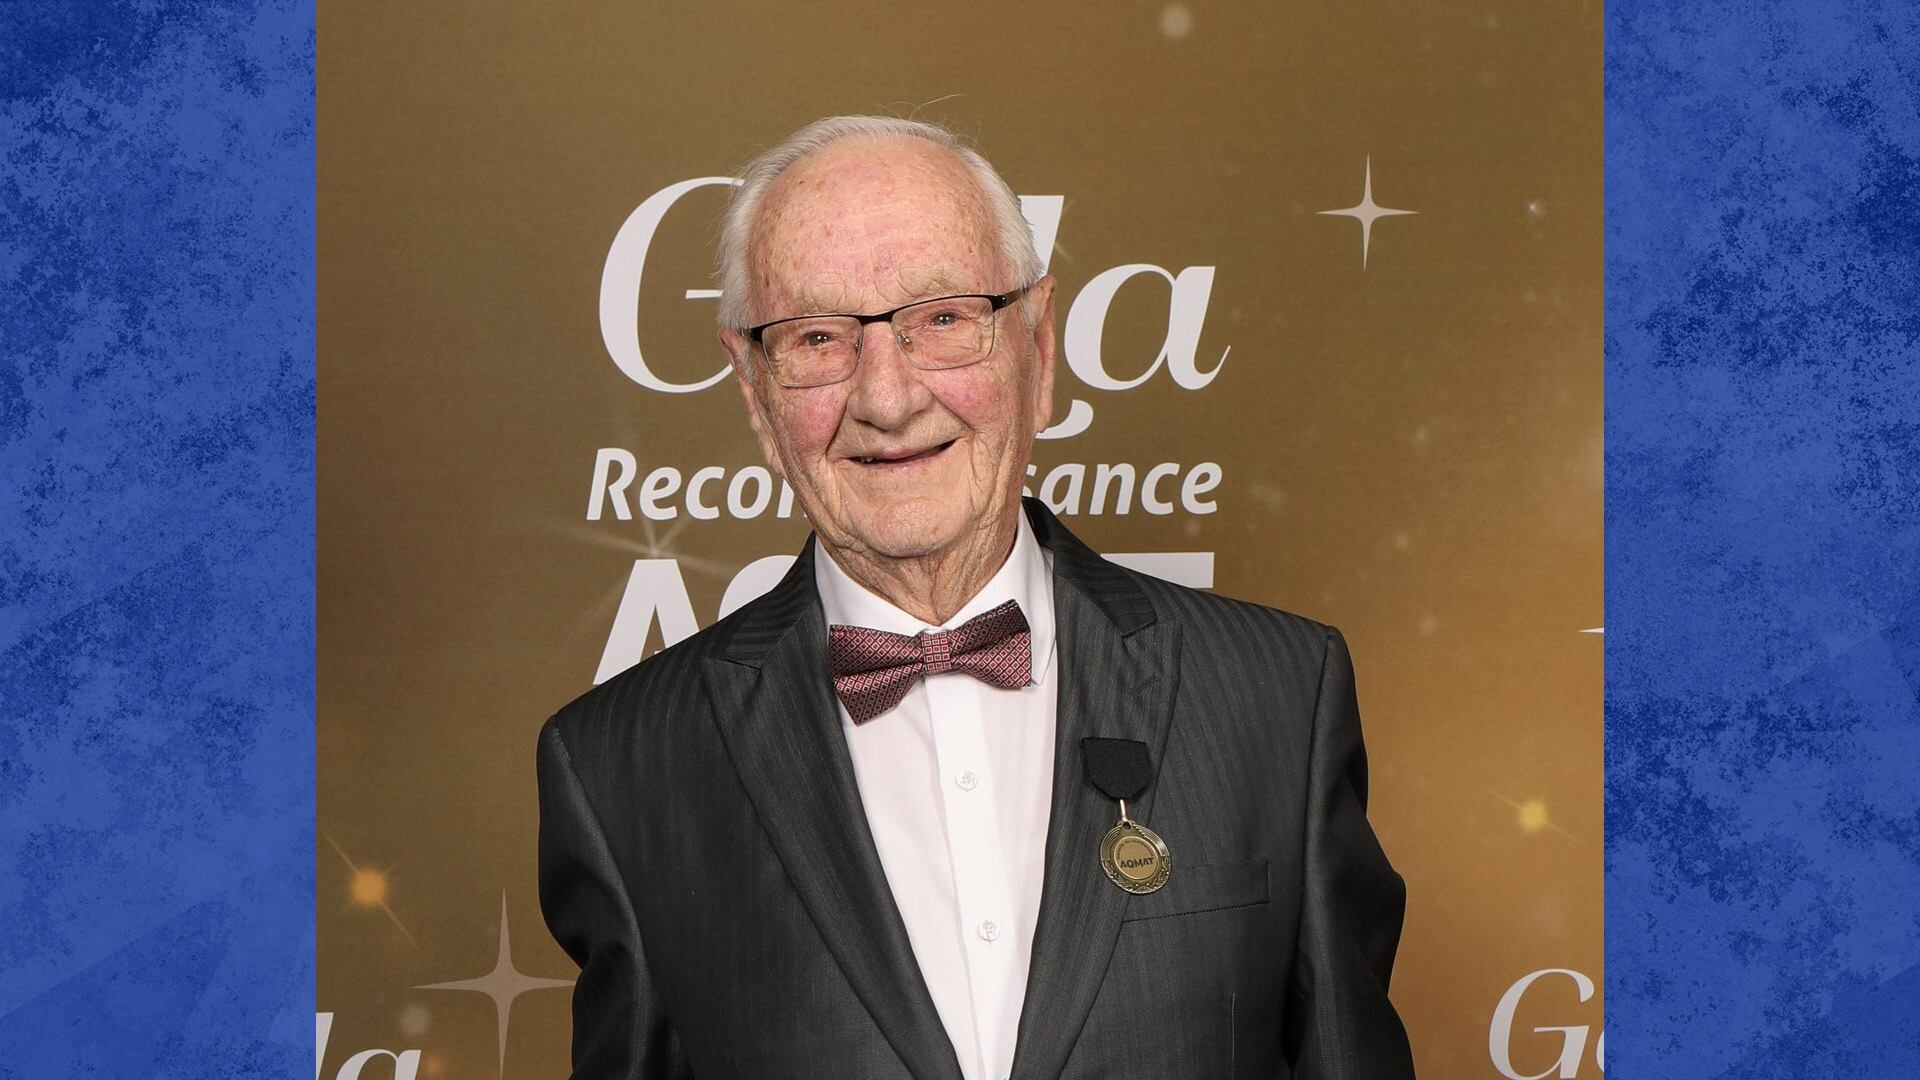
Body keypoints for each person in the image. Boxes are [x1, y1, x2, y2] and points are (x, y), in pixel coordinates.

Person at [536, 115, 1415, 1080]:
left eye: (944, 320)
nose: (888, 399)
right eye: (818, 337)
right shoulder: (617, 767)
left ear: (1039, 350)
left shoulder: (1277, 697)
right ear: (755, 393)